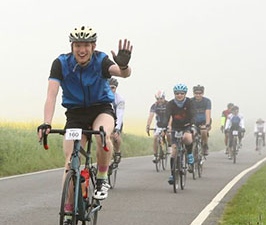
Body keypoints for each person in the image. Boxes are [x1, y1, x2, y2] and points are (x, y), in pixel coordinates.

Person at [38, 26, 133, 207]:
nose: (82, 50)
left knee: (102, 134)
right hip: (75, 114)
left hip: (101, 109)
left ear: (93, 46)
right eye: (78, 45)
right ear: (72, 46)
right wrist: (46, 123)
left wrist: (124, 65)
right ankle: (68, 212)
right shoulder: (61, 63)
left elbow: (122, 74)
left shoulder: (101, 60)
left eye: (86, 46)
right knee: (70, 163)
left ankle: (102, 178)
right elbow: (51, 95)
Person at [166, 84, 195, 184]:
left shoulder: (189, 102)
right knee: (174, 152)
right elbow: (167, 116)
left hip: (186, 125)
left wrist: (192, 125)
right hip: (175, 127)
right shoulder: (170, 104)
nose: (179, 95)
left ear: (185, 94)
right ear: (174, 94)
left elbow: (193, 114)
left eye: (182, 93)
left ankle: (190, 154)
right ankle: (172, 175)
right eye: (177, 93)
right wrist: (167, 127)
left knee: (187, 137)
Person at [145, 90, 169, 159]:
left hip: (167, 123)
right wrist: (148, 126)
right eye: (158, 99)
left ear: (164, 98)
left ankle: (169, 146)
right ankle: (155, 155)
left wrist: (169, 126)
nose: (159, 100)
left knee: (167, 134)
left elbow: (171, 116)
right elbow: (151, 116)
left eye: (161, 99)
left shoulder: (168, 104)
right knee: (155, 138)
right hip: (159, 123)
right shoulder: (154, 105)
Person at [191, 84, 213, 157]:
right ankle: (193, 149)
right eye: (196, 93)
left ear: (202, 93)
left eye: (199, 93)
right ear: (193, 93)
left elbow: (208, 112)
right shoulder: (190, 101)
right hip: (194, 121)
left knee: (203, 131)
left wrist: (207, 124)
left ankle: (204, 146)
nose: (198, 95)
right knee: (191, 134)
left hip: (204, 121)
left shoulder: (207, 101)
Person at [109, 77, 125, 171]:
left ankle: (117, 152)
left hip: (116, 121)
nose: (111, 90)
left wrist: (117, 129)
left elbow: (120, 114)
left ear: (116, 88)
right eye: (108, 87)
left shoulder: (119, 99)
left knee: (115, 137)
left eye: (113, 88)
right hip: (105, 121)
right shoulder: (101, 96)